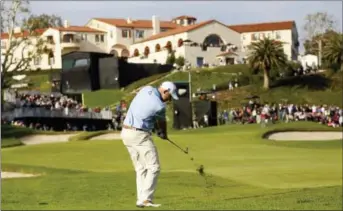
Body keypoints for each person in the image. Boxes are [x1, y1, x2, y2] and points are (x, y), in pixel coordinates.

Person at [120, 81, 179, 208]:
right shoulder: (159, 106)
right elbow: (161, 125)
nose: (168, 100)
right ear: (165, 91)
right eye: (169, 96)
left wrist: (155, 128)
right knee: (154, 167)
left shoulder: (146, 89)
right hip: (139, 135)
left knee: (141, 168)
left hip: (125, 132)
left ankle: (141, 199)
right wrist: (163, 134)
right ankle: (146, 199)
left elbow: (147, 112)